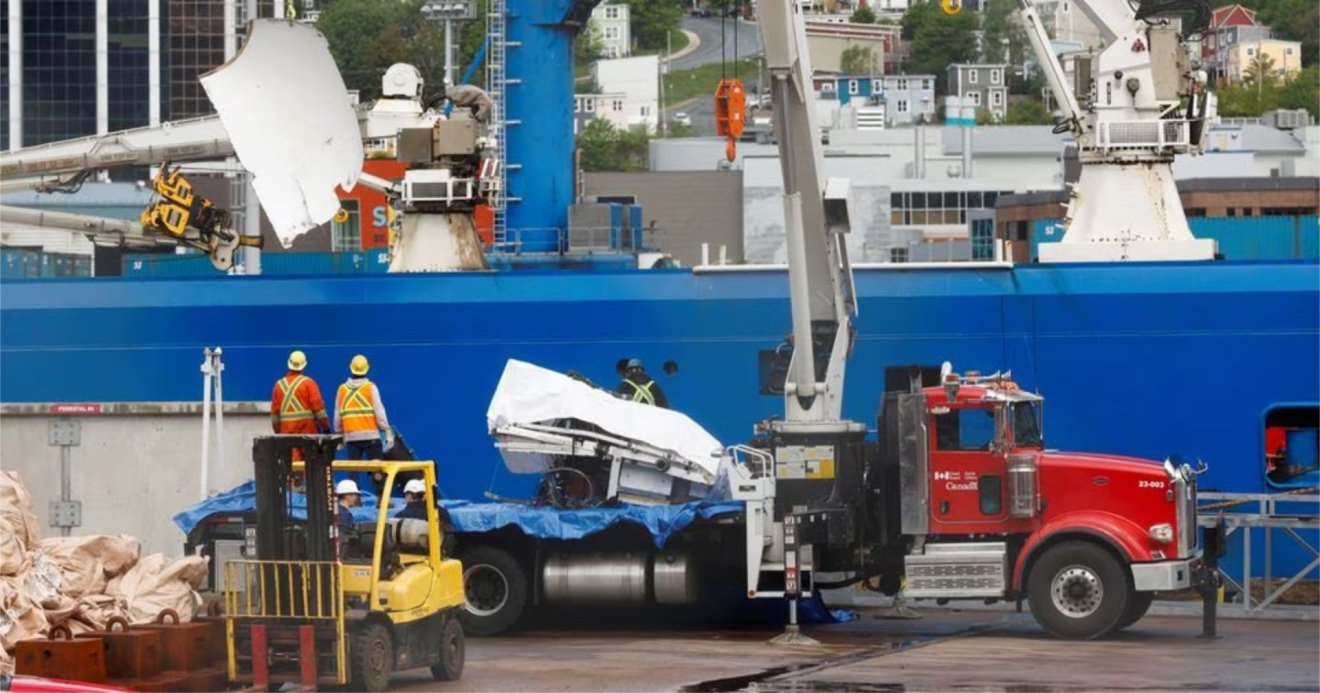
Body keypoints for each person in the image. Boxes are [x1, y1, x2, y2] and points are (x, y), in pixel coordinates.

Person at [269, 350, 330, 460]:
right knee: (312, 468)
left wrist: (279, 432)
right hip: (308, 433)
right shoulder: (309, 383)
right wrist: (325, 427)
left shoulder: (278, 385)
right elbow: (318, 409)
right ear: (304, 365)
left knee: (293, 469)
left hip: (287, 434)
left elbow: (275, 415)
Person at [334, 354, 393, 460]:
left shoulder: (342, 389)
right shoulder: (370, 387)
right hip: (371, 437)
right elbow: (379, 412)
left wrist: (339, 434)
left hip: (351, 438)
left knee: (353, 472)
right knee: (377, 473)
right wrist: (386, 430)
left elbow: (337, 415)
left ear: (351, 368)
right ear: (366, 369)